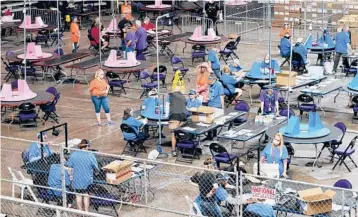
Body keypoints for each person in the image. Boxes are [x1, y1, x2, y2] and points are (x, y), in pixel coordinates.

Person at [66, 139, 98, 212]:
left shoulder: (74, 154)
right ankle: (86, 212)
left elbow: (69, 165)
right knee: (86, 195)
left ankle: (80, 212)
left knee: (78, 195)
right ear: (86, 147)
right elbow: (96, 167)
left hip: (77, 179)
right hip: (87, 180)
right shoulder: (90, 155)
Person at [168, 86, 188, 157]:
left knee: (174, 133)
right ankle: (183, 147)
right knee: (182, 131)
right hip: (183, 116)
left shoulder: (171, 96)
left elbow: (168, 105)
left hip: (174, 116)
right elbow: (186, 104)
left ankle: (173, 150)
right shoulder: (183, 97)